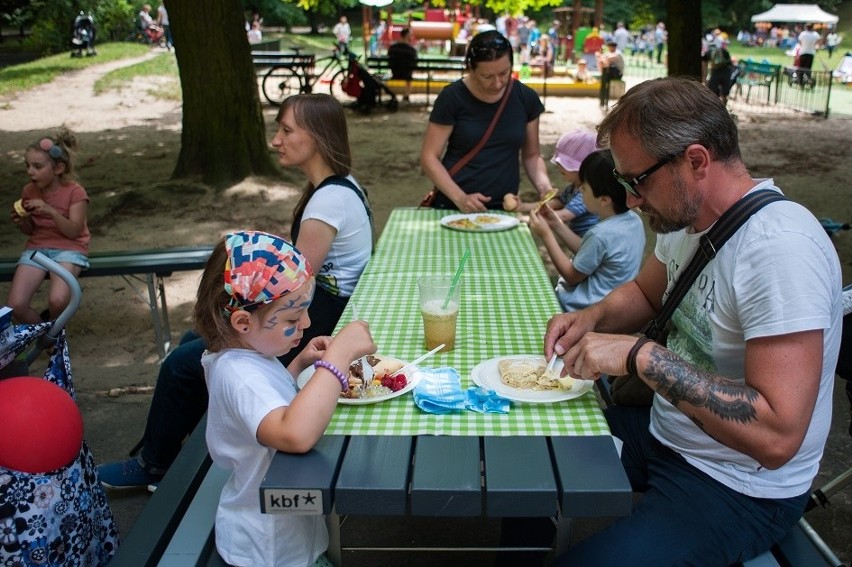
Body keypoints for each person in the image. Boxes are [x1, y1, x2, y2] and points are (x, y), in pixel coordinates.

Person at [543, 77, 842, 565]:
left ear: (697, 161)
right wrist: (591, 316)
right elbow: (644, 292)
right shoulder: (685, 219)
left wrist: (641, 356)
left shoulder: (780, 251)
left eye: (637, 181)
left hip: (738, 486)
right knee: (536, 465)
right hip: (665, 435)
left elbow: (777, 436)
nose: (632, 200)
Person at [97, 94, 373, 489]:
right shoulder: (341, 186)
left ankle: (155, 465)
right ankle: (189, 441)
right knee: (199, 340)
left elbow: (291, 285)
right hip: (320, 307)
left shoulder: (326, 201)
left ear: (316, 137)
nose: (275, 140)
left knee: (180, 365)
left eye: (286, 130)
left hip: (313, 313)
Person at [197, 230, 375, 566]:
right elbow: (294, 435)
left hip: (283, 523)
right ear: (242, 321)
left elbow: (266, 406)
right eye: (293, 318)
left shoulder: (244, 359)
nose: (306, 323)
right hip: (269, 549)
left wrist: (298, 364)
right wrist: (338, 358)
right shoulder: (240, 376)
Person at [419, 30, 552, 212]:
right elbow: (429, 157)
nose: (497, 83)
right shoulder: (452, 97)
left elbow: (531, 155)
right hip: (454, 204)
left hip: (505, 207)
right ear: (471, 69)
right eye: (487, 77)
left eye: (504, 73)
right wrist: (460, 198)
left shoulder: (525, 98)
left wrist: (545, 188)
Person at [528, 149, 645, 312]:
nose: (580, 193)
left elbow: (571, 276)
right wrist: (556, 224)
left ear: (604, 199)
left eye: (583, 189)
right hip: (611, 307)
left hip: (579, 309)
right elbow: (589, 252)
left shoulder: (600, 234)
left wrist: (546, 235)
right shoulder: (633, 222)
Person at [7, 129, 90, 324]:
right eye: (27, 166)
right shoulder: (29, 190)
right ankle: (48, 335)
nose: (30, 172)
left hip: (69, 249)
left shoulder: (75, 192)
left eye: (37, 166)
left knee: (58, 300)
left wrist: (50, 210)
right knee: (16, 306)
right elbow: (31, 230)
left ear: (58, 168)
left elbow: (73, 232)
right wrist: (23, 221)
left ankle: (54, 334)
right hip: (37, 249)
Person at [515, 129, 599, 235]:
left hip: (588, 241)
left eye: (565, 164)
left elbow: (564, 215)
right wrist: (523, 207)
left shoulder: (586, 192)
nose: (559, 166)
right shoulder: (573, 188)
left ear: (582, 168)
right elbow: (556, 203)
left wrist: (530, 219)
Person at [703, 37, 736, 105]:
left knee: (712, 92)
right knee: (724, 94)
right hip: (726, 72)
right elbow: (730, 63)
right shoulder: (724, 51)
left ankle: (713, 107)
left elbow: (704, 66)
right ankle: (724, 107)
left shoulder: (708, 53)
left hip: (715, 72)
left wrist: (704, 78)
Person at [387, 27, 418, 102]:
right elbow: (415, 64)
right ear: (407, 35)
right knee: (410, 75)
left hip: (395, 73)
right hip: (406, 74)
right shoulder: (411, 50)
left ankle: (395, 95)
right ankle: (406, 95)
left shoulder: (393, 47)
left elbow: (389, 60)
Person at [596, 40, 624, 107]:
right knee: (605, 72)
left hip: (617, 73)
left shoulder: (618, 53)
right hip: (609, 73)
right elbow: (602, 61)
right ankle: (603, 101)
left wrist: (600, 56)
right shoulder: (608, 53)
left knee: (606, 69)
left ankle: (604, 102)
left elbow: (607, 60)